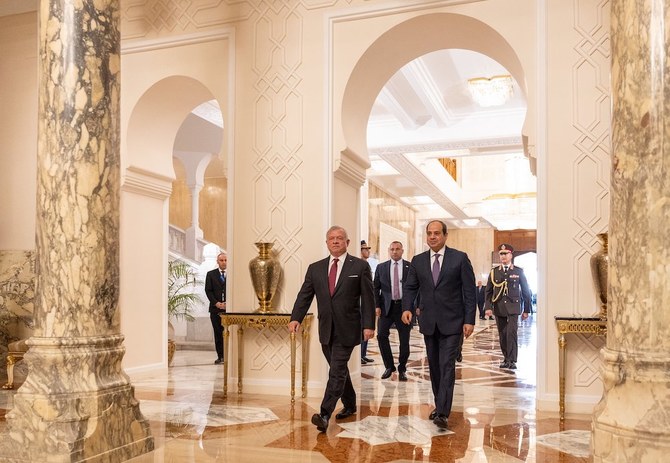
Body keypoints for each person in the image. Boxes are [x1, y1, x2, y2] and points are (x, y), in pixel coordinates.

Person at [289, 226, 375, 433]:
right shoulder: (315, 268)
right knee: (340, 370)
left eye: (339, 238)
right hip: (326, 328)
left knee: (336, 370)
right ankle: (351, 404)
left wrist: (369, 325)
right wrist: (295, 318)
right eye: (331, 239)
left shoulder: (360, 266)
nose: (335, 241)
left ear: (347, 242)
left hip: (348, 327)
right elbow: (304, 295)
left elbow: (369, 298)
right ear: (326, 242)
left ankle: (325, 414)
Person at [401, 220, 476, 430]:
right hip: (428, 322)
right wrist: (407, 308)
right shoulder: (418, 260)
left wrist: (469, 320)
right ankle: (440, 404)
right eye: (429, 233)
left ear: (445, 235)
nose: (432, 237)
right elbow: (410, 287)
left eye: (436, 233)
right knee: (434, 366)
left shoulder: (459, 259)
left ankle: (442, 412)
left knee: (446, 365)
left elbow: (470, 293)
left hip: (453, 322)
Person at [484, 244, 532, 370]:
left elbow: (526, 291)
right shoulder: (494, 272)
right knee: (502, 334)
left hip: (513, 308)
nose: (503, 256)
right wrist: (488, 307)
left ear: (511, 255)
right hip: (499, 307)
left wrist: (526, 310)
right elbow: (488, 291)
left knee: (511, 333)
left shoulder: (518, 271)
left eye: (506, 253)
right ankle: (506, 358)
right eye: (501, 253)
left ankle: (512, 360)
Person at [373, 241, 413, 381]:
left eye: (397, 249)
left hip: (404, 308)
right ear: (389, 251)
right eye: (392, 249)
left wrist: (415, 307)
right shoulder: (381, 267)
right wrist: (376, 305)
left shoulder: (410, 267)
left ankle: (402, 368)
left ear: (402, 250)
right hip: (386, 307)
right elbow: (375, 288)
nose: (394, 252)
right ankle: (389, 366)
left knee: (404, 339)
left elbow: (415, 288)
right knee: (381, 335)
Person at [204, 252, 227, 364]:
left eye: (225, 260)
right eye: (221, 260)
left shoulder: (233, 274)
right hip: (215, 309)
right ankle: (220, 356)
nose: (223, 262)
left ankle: (228, 356)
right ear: (217, 262)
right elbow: (208, 291)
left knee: (227, 333)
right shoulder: (211, 274)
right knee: (218, 333)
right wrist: (216, 303)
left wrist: (229, 303)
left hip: (229, 310)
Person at [359, 240, 375, 364]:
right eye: (365, 248)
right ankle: (359, 355)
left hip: (367, 302)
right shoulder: (358, 264)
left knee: (367, 327)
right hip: (359, 303)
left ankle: (363, 354)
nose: (368, 251)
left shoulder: (367, 264)